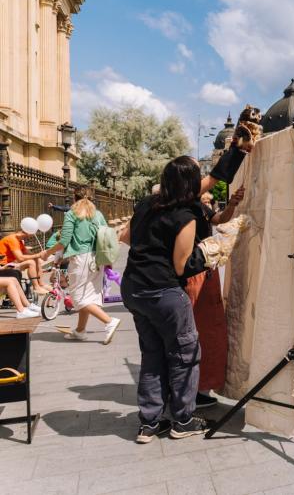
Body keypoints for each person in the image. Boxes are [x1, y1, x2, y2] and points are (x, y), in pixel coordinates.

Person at [119, 152, 242, 444]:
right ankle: (183, 420)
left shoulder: (149, 204)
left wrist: (152, 247)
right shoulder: (185, 215)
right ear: (189, 184)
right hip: (164, 292)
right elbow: (181, 266)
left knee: (152, 355)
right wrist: (211, 252)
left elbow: (126, 236)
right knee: (184, 356)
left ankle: (149, 423)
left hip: (134, 288)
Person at [184, 184, 245, 408]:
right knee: (202, 330)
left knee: (208, 331)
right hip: (195, 272)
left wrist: (232, 203)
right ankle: (195, 388)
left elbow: (219, 219)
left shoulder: (197, 206)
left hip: (204, 270)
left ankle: (199, 386)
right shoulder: (182, 207)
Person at [39, 186, 121, 344]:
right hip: (98, 258)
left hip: (81, 259)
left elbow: (64, 241)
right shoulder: (97, 214)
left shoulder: (72, 214)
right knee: (88, 296)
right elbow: (106, 236)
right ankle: (80, 330)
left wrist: (48, 253)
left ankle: (109, 321)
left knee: (77, 298)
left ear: (75, 198)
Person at [0, 228, 50, 294]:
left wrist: (40, 256)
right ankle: (36, 287)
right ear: (25, 233)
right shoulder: (12, 240)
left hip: (11, 263)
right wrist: (38, 255)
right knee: (31, 262)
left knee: (36, 259)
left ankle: (41, 284)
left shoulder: (19, 241)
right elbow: (20, 258)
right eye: (29, 236)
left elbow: (29, 253)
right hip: (4, 265)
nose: (28, 238)